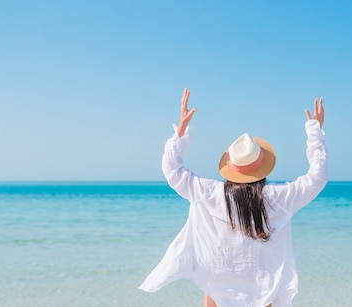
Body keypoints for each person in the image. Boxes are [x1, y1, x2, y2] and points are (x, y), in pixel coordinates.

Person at [139, 88, 327, 307]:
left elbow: (171, 169)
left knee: (211, 287)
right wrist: (315, 132)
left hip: (218, 288)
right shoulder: (278, 197)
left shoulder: (209, 193)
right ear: (262, 166)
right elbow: (317, 177)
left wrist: (180, 132)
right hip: (262, 293)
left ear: (231, 167)